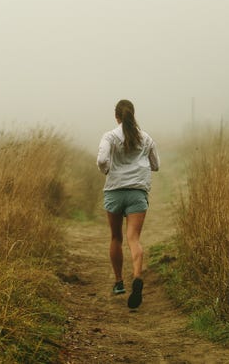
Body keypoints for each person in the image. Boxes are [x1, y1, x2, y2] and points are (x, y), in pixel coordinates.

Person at [96, 99, 160, 309]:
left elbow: (101, 160)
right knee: (134, 239)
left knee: (116, 237)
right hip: (137, 193)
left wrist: (107, 171)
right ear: (133, 114)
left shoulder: (110, 137)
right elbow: (156, 165)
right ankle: (137, 276)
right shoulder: (147, 138)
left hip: (114, 191)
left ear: (117, 116)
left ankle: (118, 283)